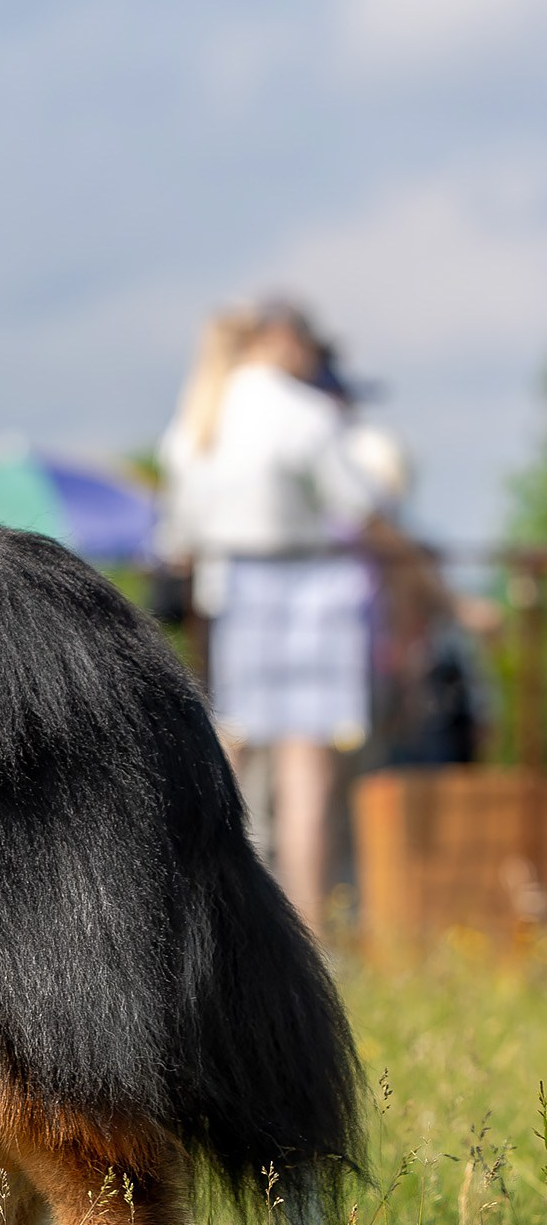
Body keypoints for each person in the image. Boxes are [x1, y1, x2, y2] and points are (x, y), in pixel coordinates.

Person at [157, 299, 378, 933]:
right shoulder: (304, 413)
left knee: (226, 757)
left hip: (227, 597)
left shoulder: (196, 420)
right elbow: (358, 506)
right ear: (287, 341)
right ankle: (307, 931)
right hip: (309, 591)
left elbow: (179, 536)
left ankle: (215, 922)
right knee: (305, 771)